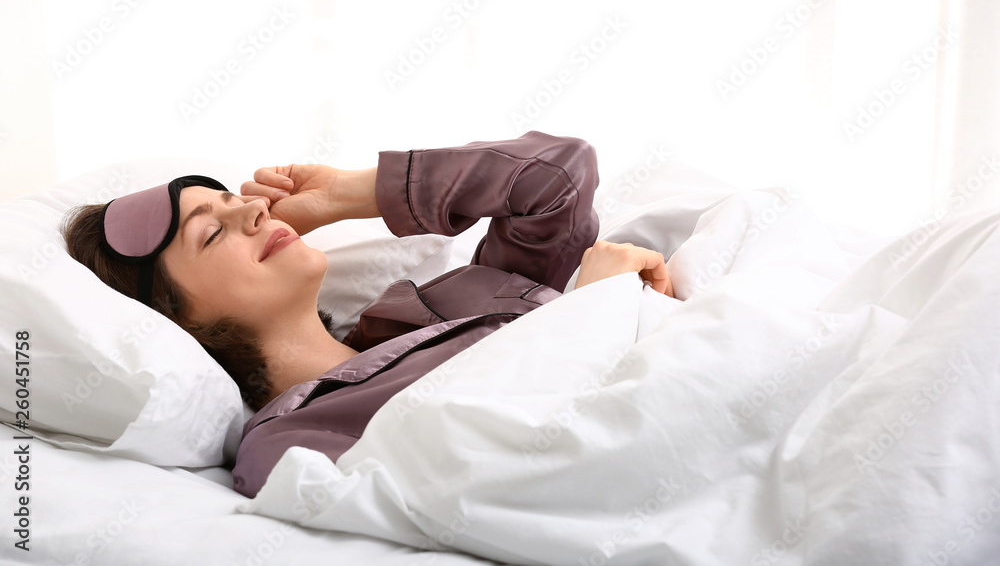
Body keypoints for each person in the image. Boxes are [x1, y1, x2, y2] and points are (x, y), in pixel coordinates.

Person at [62, 130, 673, 498]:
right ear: (176, 321)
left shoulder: (436, 310)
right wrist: (590, 312)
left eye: (234, 202)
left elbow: (557, 175)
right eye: (211, 235)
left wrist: (348, 195)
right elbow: (503, 473)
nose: (253, 214)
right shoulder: (287, 448)